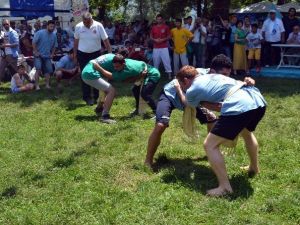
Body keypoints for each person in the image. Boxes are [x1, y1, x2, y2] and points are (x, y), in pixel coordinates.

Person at [181, 65, 266, 197]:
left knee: (210, 145)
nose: (183, 88)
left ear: (185, 80)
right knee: (246, 133)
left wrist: (183, 91)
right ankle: (254, 168)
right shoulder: (210, 77)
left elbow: (190, 104)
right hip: (258, 101)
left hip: (241, 105)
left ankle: (225, 187)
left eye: (182, 85)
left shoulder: (191, 90)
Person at [144, 54, 239, 168]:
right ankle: (148, 161)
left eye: (228, 75)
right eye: (224, 74)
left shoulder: (219, 82)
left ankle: (211, 152)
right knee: (160, 125)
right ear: (213, 71)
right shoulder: (197, 74)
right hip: (171, 95)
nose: (226, 78)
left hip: (191, 100)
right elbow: (181, 85)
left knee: (212, 119)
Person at [74, 12, 112, 106]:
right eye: (84, 22)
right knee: (85, 75)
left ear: (91, 19)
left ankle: (96, 97)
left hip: (96, 54)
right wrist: (75, 55)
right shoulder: (78, 27)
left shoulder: (99, 25)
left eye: (88, 22)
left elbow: (105, 40)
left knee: (96, 75)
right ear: (82, 20)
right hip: (82, 54)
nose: (86, 24)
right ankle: (87, 98)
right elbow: (76, 42)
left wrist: (110, 53)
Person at [32, 20, 57, 90]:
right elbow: (33, 42)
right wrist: (36, 52)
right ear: (47, 26)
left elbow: (55, 46)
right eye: (51, 26)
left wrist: (52, 54)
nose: (52, 28)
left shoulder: (54, 35)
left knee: (48, 71)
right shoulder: (39, 33)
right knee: (38, 70)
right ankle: (37, 86)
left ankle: (47, 85)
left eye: (53, 27)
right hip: (38, 56)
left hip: (47, 56)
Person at [150, 14, 172, 79]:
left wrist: (163, 39)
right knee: (156, 61)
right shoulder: (153, 27)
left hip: (164, 47)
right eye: (158, 19)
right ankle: (155, 75)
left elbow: (169, 36)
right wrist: (155, 40)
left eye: (160, 19)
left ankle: (169, 75)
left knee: (166, 61)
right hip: (156, 47)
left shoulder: (166, 27)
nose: (159, 20)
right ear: (156, 19)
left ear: (162, 19)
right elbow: (151, 36)